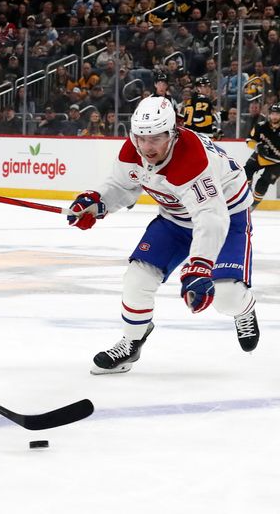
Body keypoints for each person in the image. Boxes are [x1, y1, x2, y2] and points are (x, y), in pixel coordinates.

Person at [68, 96, 258, 375]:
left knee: (226, 296)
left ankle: (244, 310)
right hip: (175, 219)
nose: (147, 147)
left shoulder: (191, 158)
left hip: (226, 217)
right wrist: (96, 202)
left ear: (172, 133)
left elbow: (211, 216)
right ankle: (131, 343)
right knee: (137, 278)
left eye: (156, 138)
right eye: (141, 138)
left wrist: (201, 266)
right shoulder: (134, 149)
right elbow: (122, 185)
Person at [244, 103, 280, 210]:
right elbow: (249, 140)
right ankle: (246, 194)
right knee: (247, 169)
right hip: (261, 156)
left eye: (277, 114)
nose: (274, 116)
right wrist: (257, 146)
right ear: (269, 114)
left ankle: (253, 204)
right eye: (273, 113)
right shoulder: (260, 126)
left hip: (277, 162)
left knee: (263, 183)